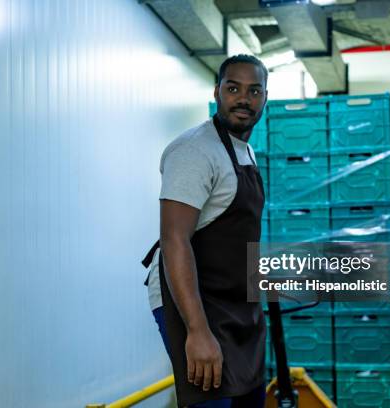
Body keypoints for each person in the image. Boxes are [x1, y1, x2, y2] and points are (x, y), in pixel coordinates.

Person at [142, 54, 269, 408]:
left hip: (233, 301)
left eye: (254, 90)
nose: (243, 99)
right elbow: (174, 239)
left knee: (250, 396)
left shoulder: (245, 152)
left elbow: (231, 234)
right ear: (216, 92)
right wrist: (197, 331)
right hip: (193, 301)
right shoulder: (194, 150)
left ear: (265, 98)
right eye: (233, 88)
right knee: (211, 401)